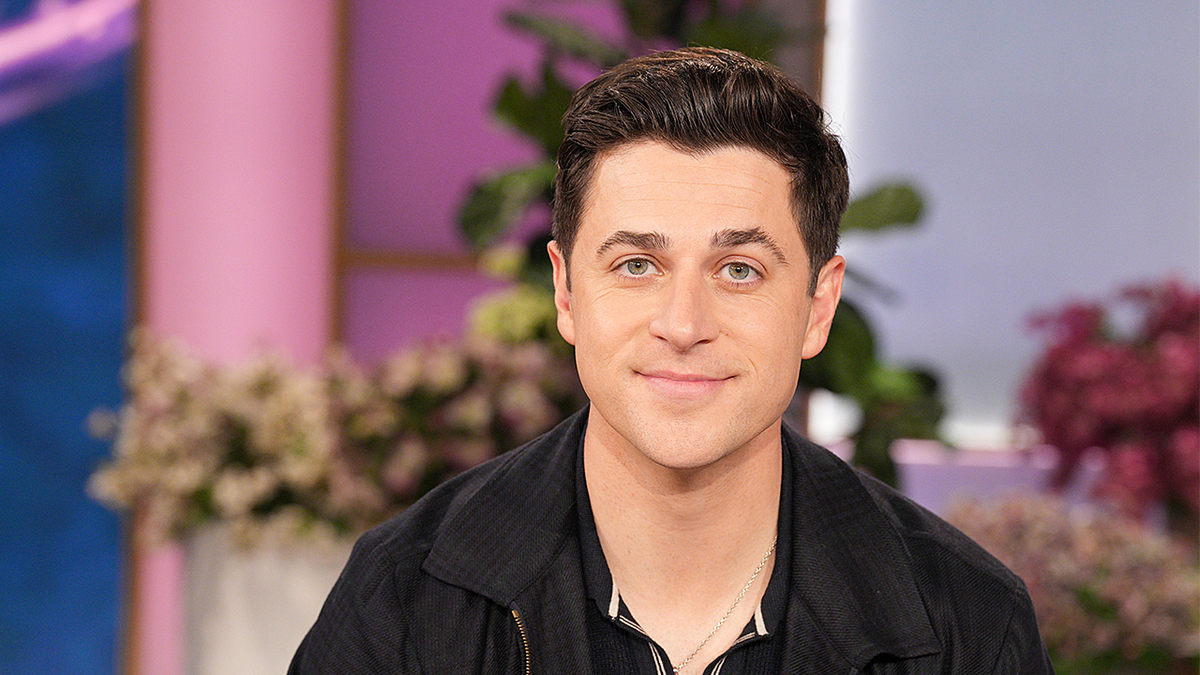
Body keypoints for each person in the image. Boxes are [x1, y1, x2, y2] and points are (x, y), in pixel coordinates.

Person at [290, 47, 1053, 674]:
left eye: (739, 270)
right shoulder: (408, 598)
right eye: (636, 265)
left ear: (818, 307)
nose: (683, 324)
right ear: (564, 292)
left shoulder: (965, 624)